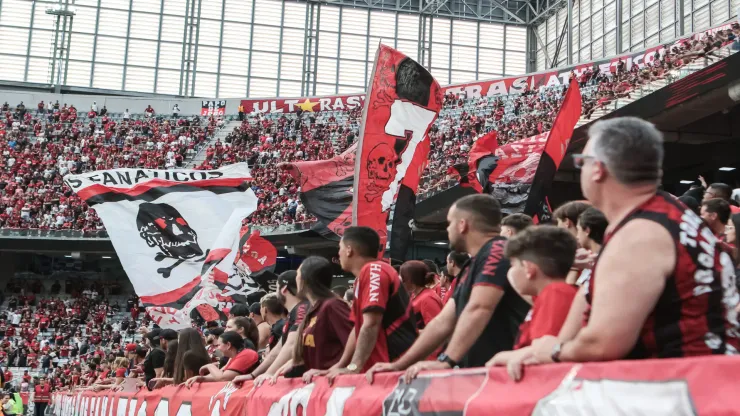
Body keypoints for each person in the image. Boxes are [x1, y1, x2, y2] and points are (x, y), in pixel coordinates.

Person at [525, 117, 739, 368]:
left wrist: (552, 349)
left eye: (581, 162)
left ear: (598, 169)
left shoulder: (641, 234)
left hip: (681, 389)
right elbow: (588, 301)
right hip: (697, 382)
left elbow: (604, 344)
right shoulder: (659, 215)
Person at [367, 195, 530, 384]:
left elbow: (480, 307)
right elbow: (443, 321)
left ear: (462, 225)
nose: (448, 229)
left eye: (449, 223)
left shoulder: (497, 251)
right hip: (485, 376)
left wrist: (446, 360)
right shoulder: (473, 264)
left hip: (508, 378)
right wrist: (399, 365)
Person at [309, 226, 417, 383]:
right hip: (380, 372)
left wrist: (353, 367)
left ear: (349, 250)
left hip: (394, 370)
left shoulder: (373, 270)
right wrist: (340, 365)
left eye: (339, 248)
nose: (338, 253)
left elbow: (371, 324)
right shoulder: (362, 278)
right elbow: (358, 328)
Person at [485, 226, 579, 380]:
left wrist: (502, 356)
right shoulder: (548, 295)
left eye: (514, 265)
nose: (511, 272)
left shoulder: (556, 293)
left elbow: (539, 353)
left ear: (529, 269)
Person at [247, 257, 353, 384]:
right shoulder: (313, 310)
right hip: (319, 386)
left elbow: (355, 341)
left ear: (305, 279)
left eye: (297, 274)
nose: (295, 279)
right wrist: (295, 362)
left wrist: (340, 368)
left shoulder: (332, 305)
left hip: (337, 386)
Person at [240, 271, 308, 383]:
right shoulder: (293, 313)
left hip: (302, 381)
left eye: (276, 288)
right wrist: (253, 375)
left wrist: (269, 373)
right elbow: (278, 349)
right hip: (296, 380)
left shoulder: (302, 308)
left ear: (284, 289)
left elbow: (291, 345)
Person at [400, 260, 444, 360]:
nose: (401, 282)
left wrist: (409, 332)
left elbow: (435, 331)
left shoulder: (428, 299)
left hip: (429, 357)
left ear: (410, 280)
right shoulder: (414, 295)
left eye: (403, 279)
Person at [184, 331, 259, 386]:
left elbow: (222, 378)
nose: (217, 348)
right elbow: (220, 374)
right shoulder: (234, 357)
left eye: (219, 345)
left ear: (228, 345)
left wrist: (209, 366)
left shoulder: (247, 354)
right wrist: (201, 378)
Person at [567, 207, 608, 286]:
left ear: (587, 231)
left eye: (578, 230)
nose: (577, 236)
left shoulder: (603, 260)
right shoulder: (589, 261)